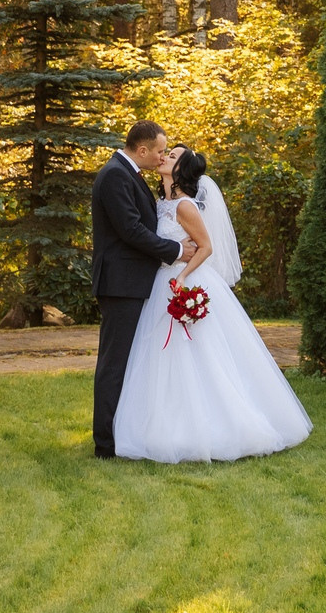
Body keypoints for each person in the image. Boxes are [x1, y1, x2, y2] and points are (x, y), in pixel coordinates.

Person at [110, 145, 312, 463]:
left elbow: (206, 247)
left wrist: (183, 277)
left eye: (172, 156)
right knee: (162, 358)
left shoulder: (185, 206)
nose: (164, 157)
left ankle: (221, 427)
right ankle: (162, 426)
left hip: (185, 282)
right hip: (161, 285)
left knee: (200, 356)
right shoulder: (161, 202)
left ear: (180, 171)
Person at [91, 121, 186, 458]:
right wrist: (174, 251)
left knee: (126, 362)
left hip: (131, 282)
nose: (162, 156)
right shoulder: (116, 175)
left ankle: (121, 433)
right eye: (160, 150)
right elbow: (130, 230)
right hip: (121, 283)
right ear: (142, 150)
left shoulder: (126, 173)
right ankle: (105, 444)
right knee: (114, 363)